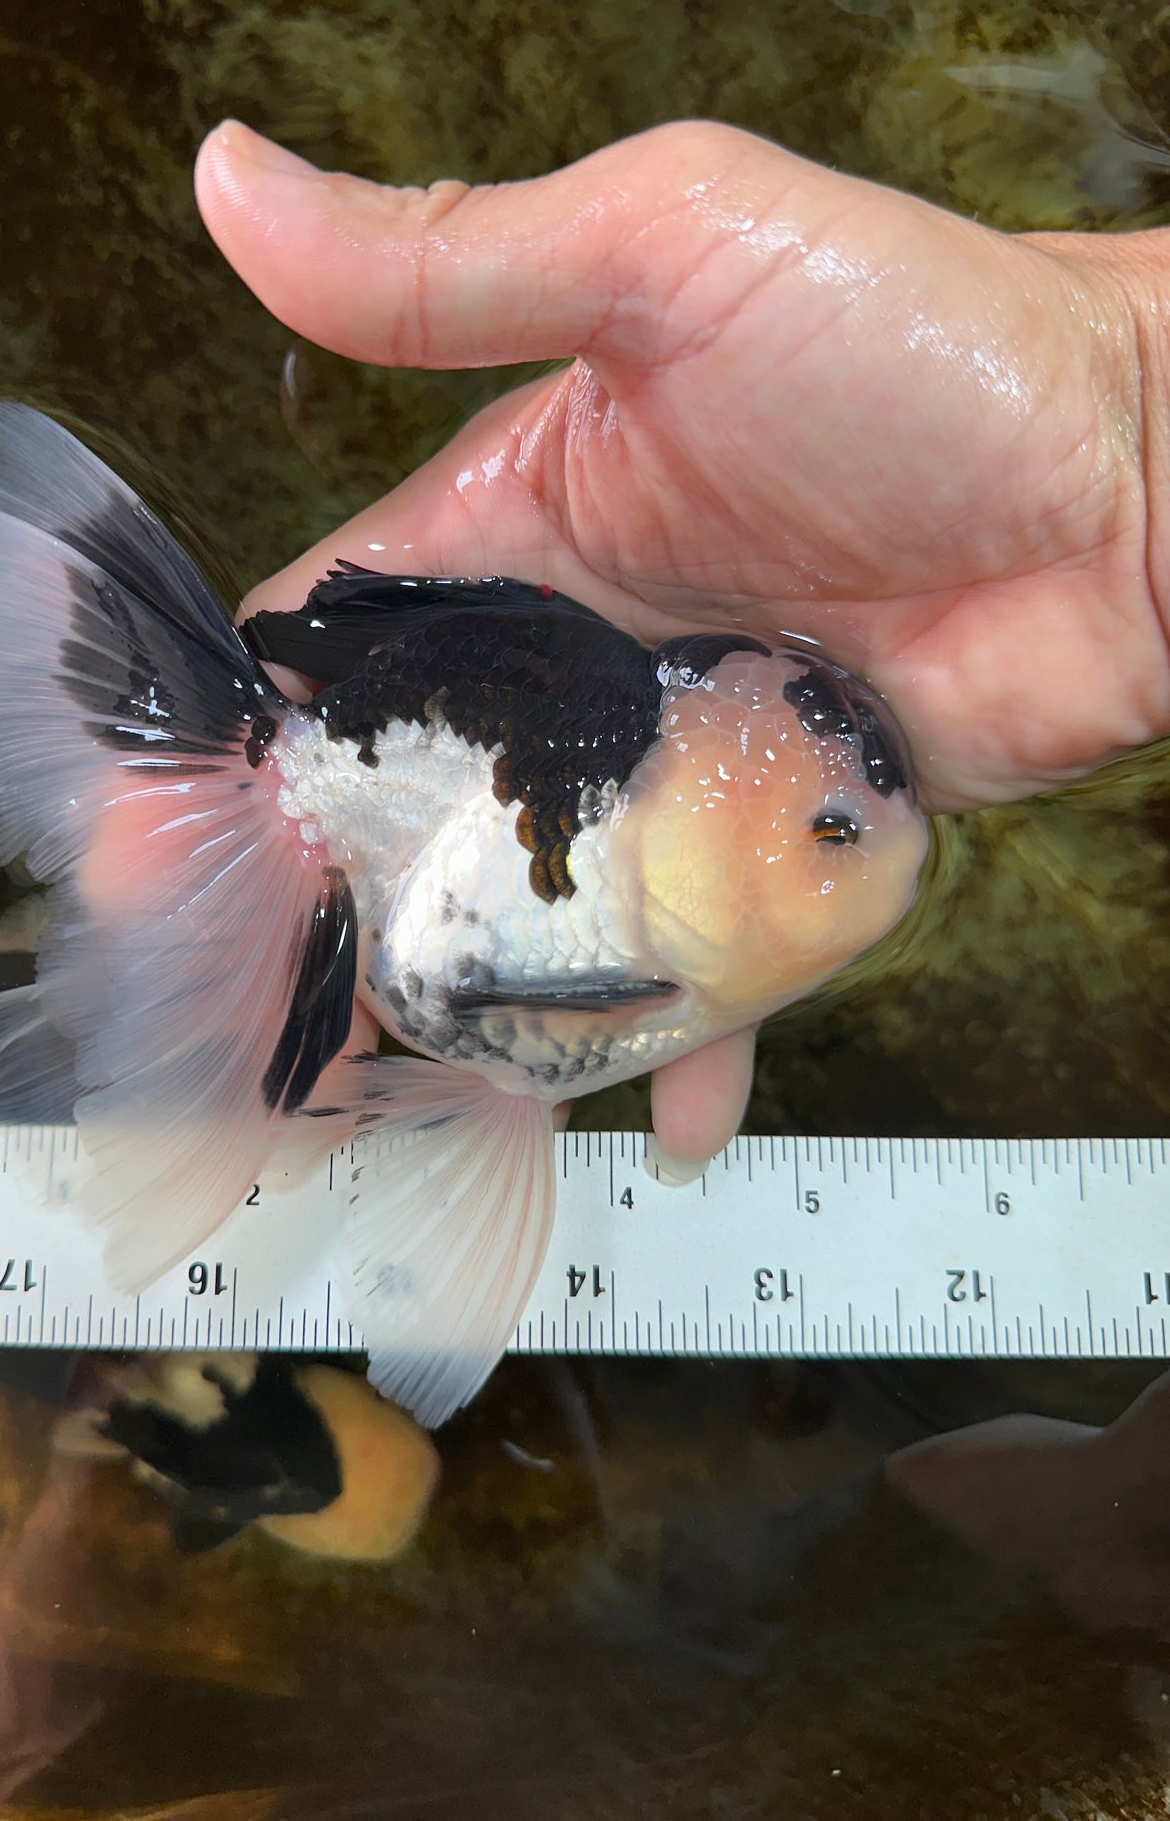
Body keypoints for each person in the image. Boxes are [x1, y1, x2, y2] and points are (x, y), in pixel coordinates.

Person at [194, 116, 1170, 1170]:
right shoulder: (647, 884)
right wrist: (1124, 409)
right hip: (369, 805)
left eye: (828, 826)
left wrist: (1130, 404)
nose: (872, 845)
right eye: (829, 828)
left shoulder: (668, 902)